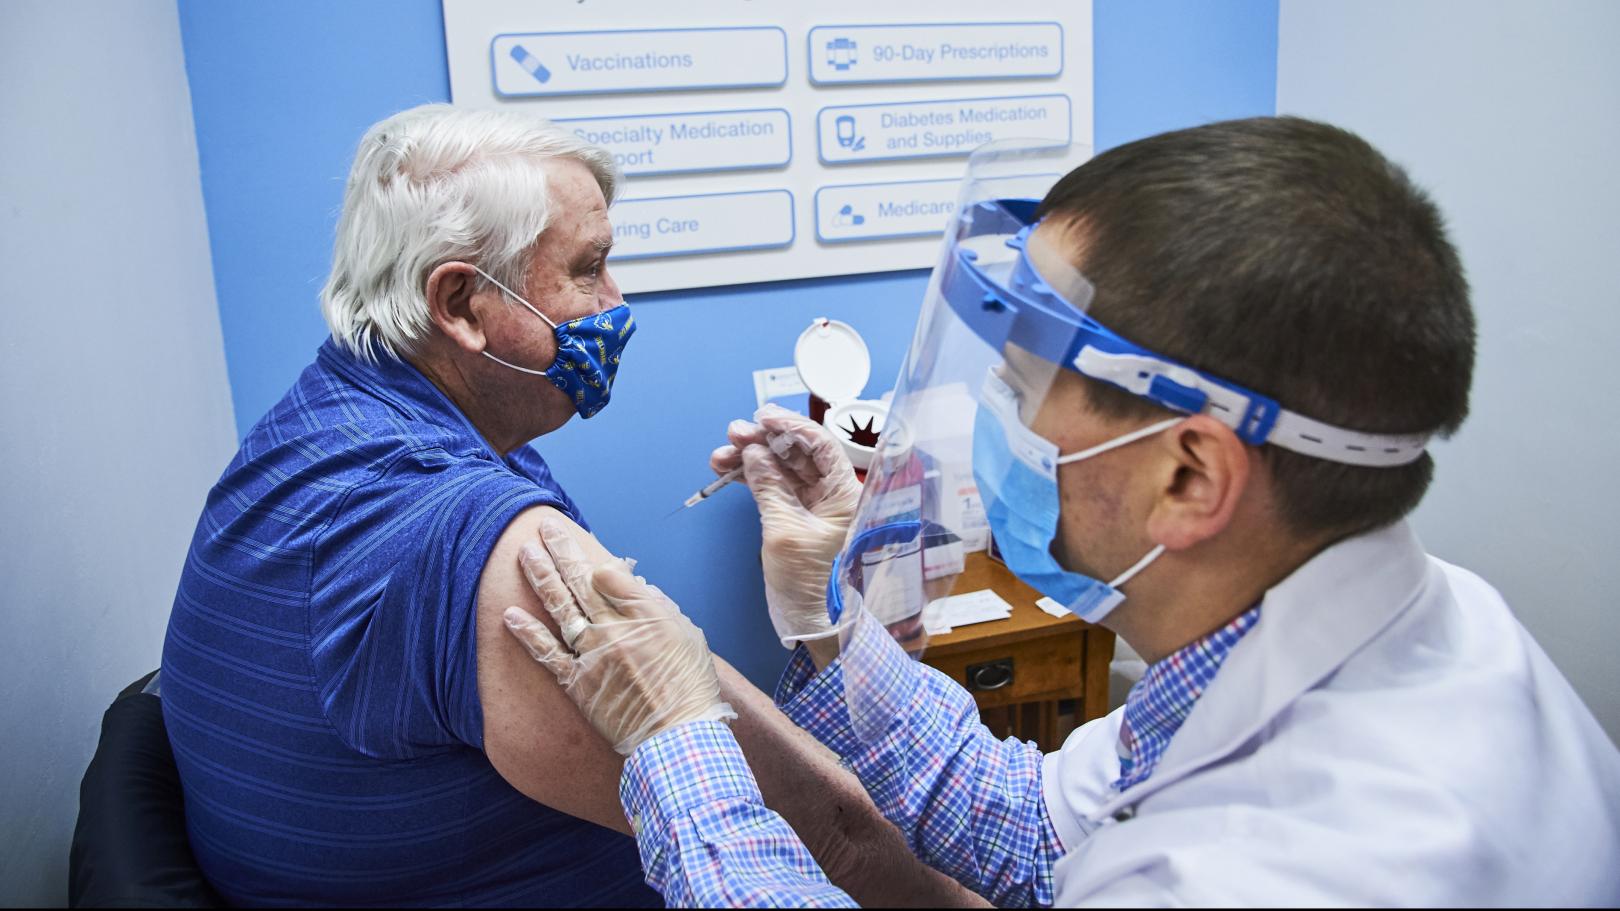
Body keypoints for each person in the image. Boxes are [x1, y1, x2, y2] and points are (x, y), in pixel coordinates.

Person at [503, 118, 1620, 906]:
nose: (993, 408)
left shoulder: (1274, 870)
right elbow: (1035, 826)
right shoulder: (1404, 625)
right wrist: (824, 618)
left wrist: (676, 747)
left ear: (1190, 474)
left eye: (1026, 374)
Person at [160, 103, 984, 907]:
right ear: (458, 305)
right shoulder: (482, 543)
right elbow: (832, 832)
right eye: (588, 268)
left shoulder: (327, 423)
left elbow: (715, 720)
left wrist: (817, 618)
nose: (615, 300)